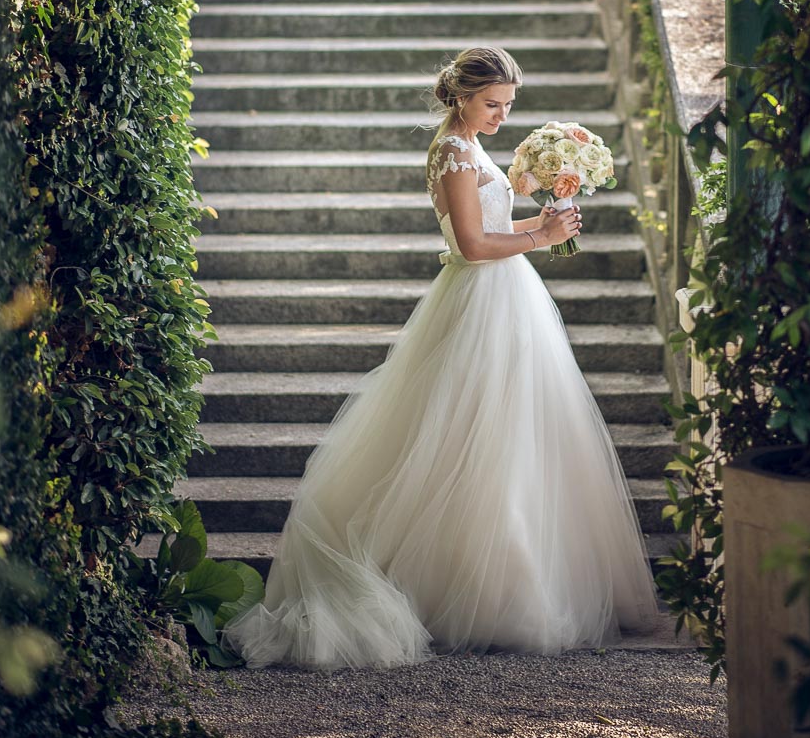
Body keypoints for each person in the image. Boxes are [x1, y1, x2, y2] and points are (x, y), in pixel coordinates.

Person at [221, 45, 656, 668]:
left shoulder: (472, 145)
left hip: (510, 298)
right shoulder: (453, 150)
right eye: (491, 104)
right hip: (479, 297)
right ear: (460, 96)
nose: (501, 117)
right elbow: (474, 245)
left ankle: (512, 580)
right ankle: (470, 591)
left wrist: (547, 213)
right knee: (469, 437)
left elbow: (492, 224)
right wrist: (541, 236)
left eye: (508, 106)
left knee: (509, 440)